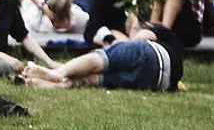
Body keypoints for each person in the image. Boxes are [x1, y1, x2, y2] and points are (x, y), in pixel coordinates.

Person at [24, 20, 183, 92]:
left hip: (153, 53)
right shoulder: (176, 49)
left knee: (97, 60)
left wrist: (124, 38)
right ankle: (55, 85)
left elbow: (142, 37)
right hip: (158, 81)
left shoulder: (157, 30)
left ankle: (56, 74)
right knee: (93, 79)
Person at [20, 0, 89, 37]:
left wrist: (44, 6)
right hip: (81, 6)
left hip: (66, 6)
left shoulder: (37, 19)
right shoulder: (82, 19)